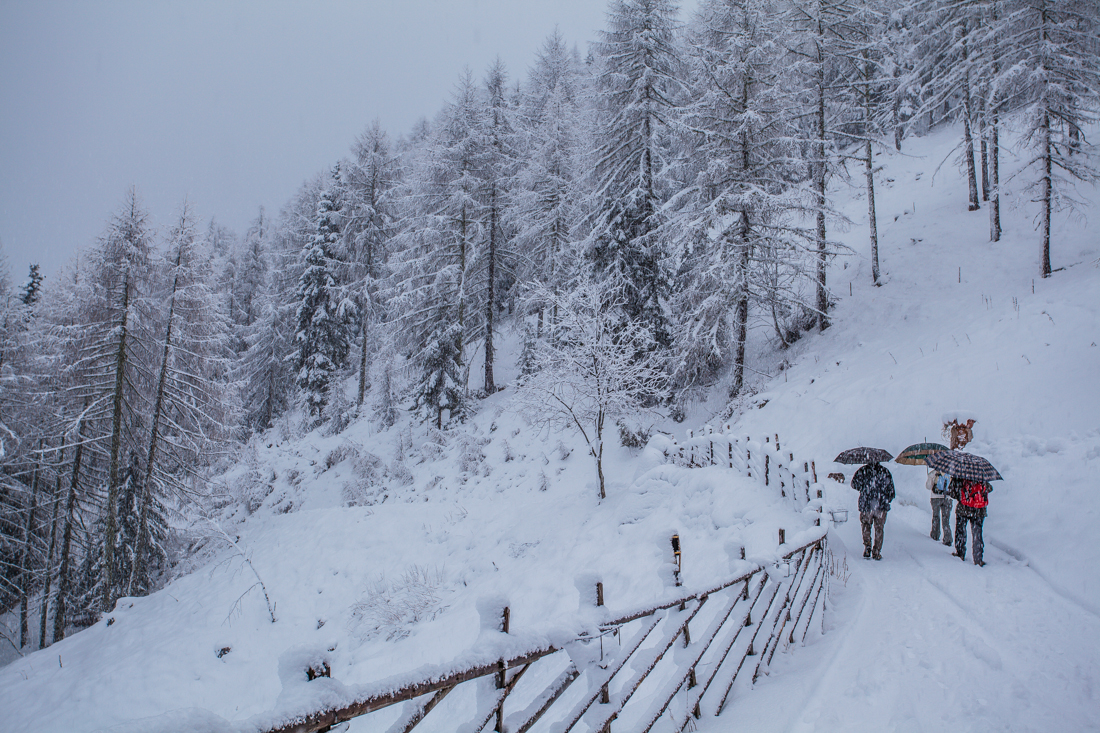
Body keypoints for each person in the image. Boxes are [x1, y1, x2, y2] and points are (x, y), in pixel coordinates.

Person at [851, 462, 895, 560]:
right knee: (879, 528)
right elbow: (891, 491)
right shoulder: (885, 472)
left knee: (866, 525)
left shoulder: (862, 471)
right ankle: (877, 551)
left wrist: (864, 489)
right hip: (881, 506)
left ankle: (867, 545)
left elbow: (854, 484)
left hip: (866, 505)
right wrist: (885, 499)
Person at [951, 477, 992, 566]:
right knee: (977, 533)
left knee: (960, 531)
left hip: (963, 509)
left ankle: (960, 553)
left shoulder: (960, 475)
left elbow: (953, 493)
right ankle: (978, 558)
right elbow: (989, 489)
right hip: (979, 510)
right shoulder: (981, 475)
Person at [927, 469, 953, 546]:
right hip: (948, 498)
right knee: (946, 519)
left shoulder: (934, 472)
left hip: (935, 497)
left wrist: (929, 477)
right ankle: (947, 538)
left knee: (936, 516)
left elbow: (928, 486)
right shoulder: (951, 473)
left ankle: (935, 534)